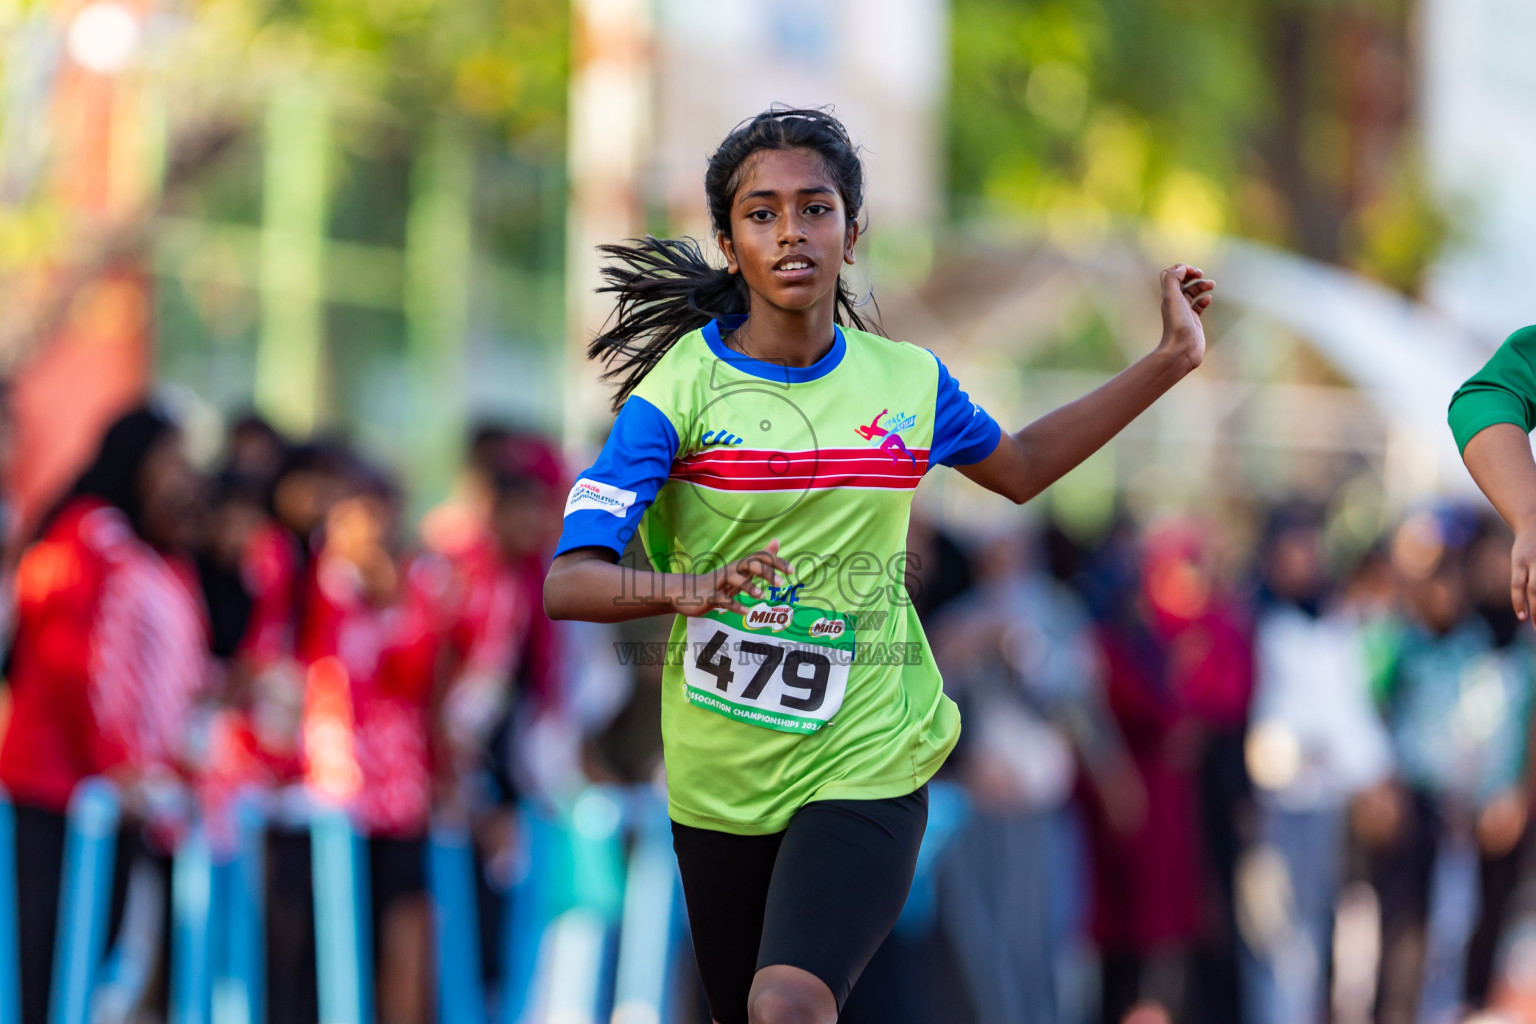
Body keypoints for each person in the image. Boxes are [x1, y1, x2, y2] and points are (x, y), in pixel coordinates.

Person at [542, 106, 1214, 1024]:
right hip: (719, 776)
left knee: (787, 1005)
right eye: (762, 213)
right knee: (751, 1012)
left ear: (853, 234)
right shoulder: (675, 396)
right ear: (731, 243)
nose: (791, 233)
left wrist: (1170, 359)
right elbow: (568, 581)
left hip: (870, 755)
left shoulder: (907, 382)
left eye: (815, 209)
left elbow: (1017, 469)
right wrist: (688, 590)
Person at [0, 407, 207, 1024]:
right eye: (168, 461)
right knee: (44, 962)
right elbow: (80, 664)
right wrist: (117, 766)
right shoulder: (90, 535)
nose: (179, 477)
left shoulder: (148, 549)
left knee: (91, 960)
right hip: (56, 785)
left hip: (108, 793)